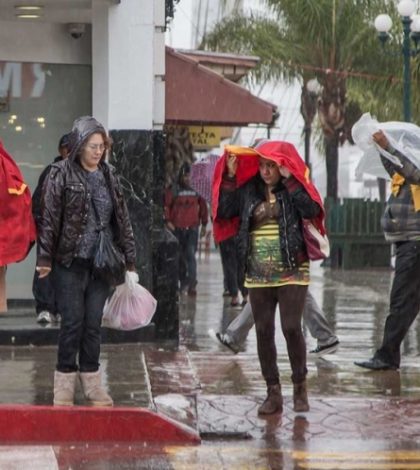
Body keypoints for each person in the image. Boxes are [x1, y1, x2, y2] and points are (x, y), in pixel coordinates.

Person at [215, 140, 327, 415]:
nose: (265, 171)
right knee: (264, 331)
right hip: (257, 273)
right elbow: (225, 210)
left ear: (282, 166)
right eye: (262, 165)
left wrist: (291, 181)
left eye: (271, 166)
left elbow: (312, 209)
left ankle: (300, 387)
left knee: (291, 328)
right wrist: (229, 176)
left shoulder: (292, 189)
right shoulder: (249, 189)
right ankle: (272, 392)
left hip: (292, 270)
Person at [36, 116, 136, 407]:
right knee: (72, 322)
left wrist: (130, 261)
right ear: (79, 146)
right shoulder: (60, 174)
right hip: (69, 262)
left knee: (93, 324)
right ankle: (64, 382)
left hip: (101, 264)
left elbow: (123, 220)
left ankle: (92, 383)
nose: (98, 151)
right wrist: (44, 258)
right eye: (93, 146)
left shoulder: (110, 176)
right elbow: (50, 219)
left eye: (102, 146)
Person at [355, 129, 420, 371]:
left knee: (401, 300)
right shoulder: (402, 173)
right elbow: (396, 168)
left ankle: (387, 355)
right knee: (407, 303)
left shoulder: (415, 169)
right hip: (407, 242)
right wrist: (382, 149)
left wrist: (390, 149)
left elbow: (411, 171)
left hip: (415, 242)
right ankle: (389, 354)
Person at [209, 290, 339, 355]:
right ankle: (325, 337)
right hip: (283, 249)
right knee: (295, 289)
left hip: (280, 249)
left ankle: (234, 337)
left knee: (264, 290)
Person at [32, 133, 71, 324]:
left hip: (71, 233)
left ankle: (64, 308)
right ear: (61, 150)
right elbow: (38, 201)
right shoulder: (50, 172)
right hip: (49, 230)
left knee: (68, 272)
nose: (69, 152)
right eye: (66, 148)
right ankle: (45, 308)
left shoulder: (83, 173)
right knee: (45, 269)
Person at [164, 163, 208, 296]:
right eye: (185, 176)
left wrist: (204, 225)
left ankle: (192, 284)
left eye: (190, 176)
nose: (188, 178)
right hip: (177, 230)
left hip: (192, 229)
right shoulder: (173, 189)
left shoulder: (197, 189)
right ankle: (183, 282)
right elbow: (166, 206)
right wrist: (168, 222)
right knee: (180, 258)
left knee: (190, 255)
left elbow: (203, 207)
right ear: (181, 176)